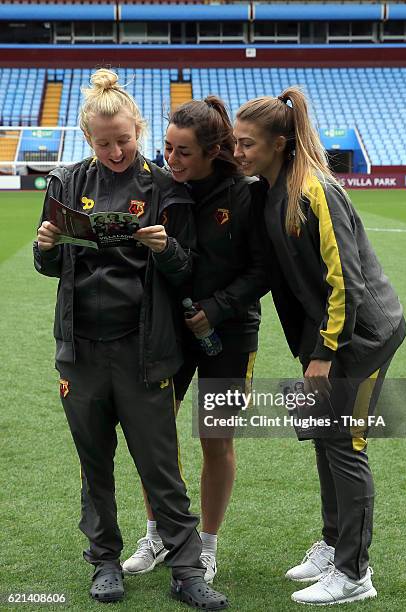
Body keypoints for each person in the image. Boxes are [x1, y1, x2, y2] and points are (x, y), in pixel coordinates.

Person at [34, 68, 228, 610]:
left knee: (161, 467)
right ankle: (104, 563)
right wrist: (48, 244)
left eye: (124, 139)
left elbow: (187, 272)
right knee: (94, 466)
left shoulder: (166, 188)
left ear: (137, 128)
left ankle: (187, 571)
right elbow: (48, 266)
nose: (116, 150)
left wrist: (165, 248)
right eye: (104, 143)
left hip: (145, 352)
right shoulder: (67, 184)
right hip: (80, 352)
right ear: (87, 140)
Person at [233, 88, 406, 606]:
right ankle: (333, 546)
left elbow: (345, 281)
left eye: (247, 144)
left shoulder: (316, 191)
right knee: (325, 440)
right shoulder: (270, 187)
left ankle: (355, 573)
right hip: (326, 337)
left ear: (280, 144)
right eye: (235, 143)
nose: (238, 152)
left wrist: (326, 352)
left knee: (346, 446)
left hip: (362, 337)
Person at [122, 96, 268, 583]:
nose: (171, 159)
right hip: (171, 328)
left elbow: (263, 269)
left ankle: (205, 545)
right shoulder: (161, 187)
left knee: (214, 436)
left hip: (231, 332)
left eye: (183, 151)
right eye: (166, 147)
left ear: (211, 152)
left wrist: (217, 309)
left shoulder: (245, 193)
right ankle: (160, 534)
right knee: (155, 433)